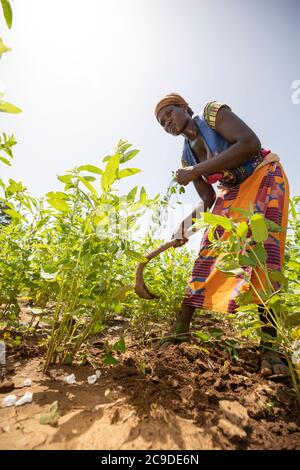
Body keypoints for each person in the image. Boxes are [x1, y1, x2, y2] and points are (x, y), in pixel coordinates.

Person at [155, 93, 289, 376]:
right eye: (162, 122)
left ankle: (270, 345)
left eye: (169, 114)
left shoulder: (213, 113)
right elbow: (207, 200)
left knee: (262, 254)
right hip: (233, 191)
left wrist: (196, 170)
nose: (167, 122)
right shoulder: (186, 154)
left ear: (185, 108)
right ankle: (180, 330)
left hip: (264, 176)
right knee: (209, 249)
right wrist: (185, 227)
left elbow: (250, 143)